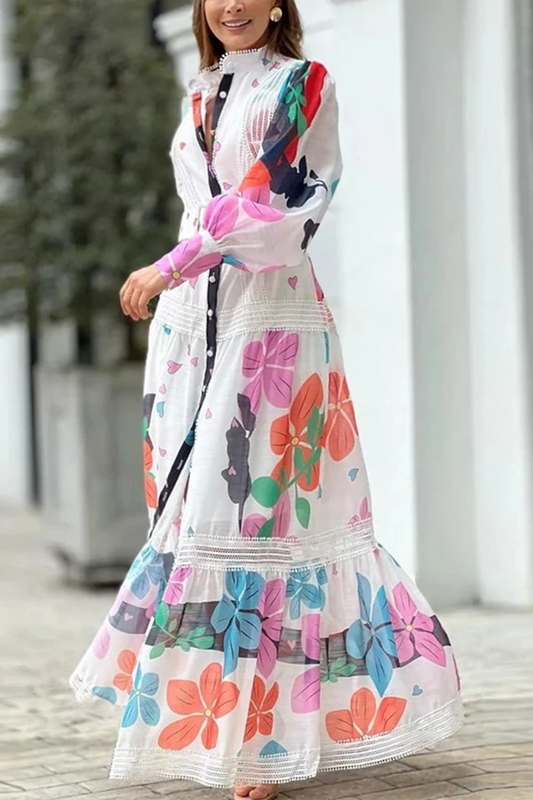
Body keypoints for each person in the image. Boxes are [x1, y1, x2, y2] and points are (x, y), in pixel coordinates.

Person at [70, 1, 464, 797]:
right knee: (191, 513)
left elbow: (276, 205)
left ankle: (261, 743)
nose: (233, 4)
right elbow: (203, 199)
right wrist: (180, 280)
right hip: (191, 329)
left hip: (269, 325)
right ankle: (211, 721)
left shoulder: (301, 85)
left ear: (278, 3)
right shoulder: (200, 88)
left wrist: (170, 265)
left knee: (261, 519)